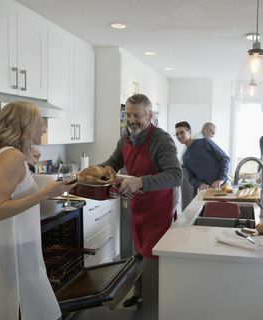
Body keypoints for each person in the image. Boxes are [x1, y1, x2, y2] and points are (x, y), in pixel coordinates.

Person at [0, 101, 76, 320]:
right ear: (23, 126)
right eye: (39, 123)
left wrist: (29, 162)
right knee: (41, 311)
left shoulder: (6, 154)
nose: (44, 129)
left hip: (14, 243)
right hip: (15, 249)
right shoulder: (12, 157)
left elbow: (13, 191)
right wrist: (45, 192)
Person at [100, 94, 182, 318]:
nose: (131, 119)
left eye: (136, 115)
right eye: (128, 114)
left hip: (160, 209)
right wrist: (96, 172)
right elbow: (112, 163)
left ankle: (153, 310)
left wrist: (141, 181)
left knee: (152, 259)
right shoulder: (125, 138)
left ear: (149, 115)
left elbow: (176, 175)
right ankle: (139, 295)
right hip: (139, 206)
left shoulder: (162, 140)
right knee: (139, 254)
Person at [175, 121, 230, 193]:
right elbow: (191, 178)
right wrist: (200, 184)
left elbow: (225, 158)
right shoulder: (185, 158)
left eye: (182, 132)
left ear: (189, 132)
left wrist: (221, 179)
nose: (179, 136)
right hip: (207, 191)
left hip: (223, 186)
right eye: (177, 134)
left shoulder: (205, 142)